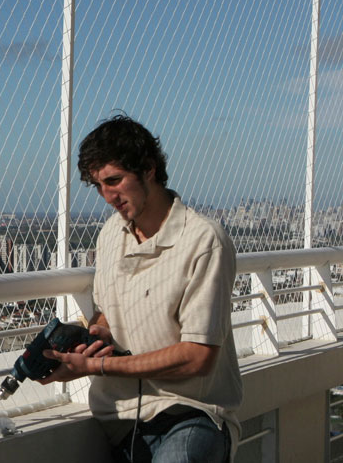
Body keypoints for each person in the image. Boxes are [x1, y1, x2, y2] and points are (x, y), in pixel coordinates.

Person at [39, 115, 242, 463]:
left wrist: (99, 367)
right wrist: (94, 337)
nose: (107, 196)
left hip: (189, 412)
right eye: (98, 185)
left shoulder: (203, 240)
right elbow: (105, 311)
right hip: (120, 420)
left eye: (114, 180)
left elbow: (198, 357)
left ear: (148, 169)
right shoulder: (110, 234)